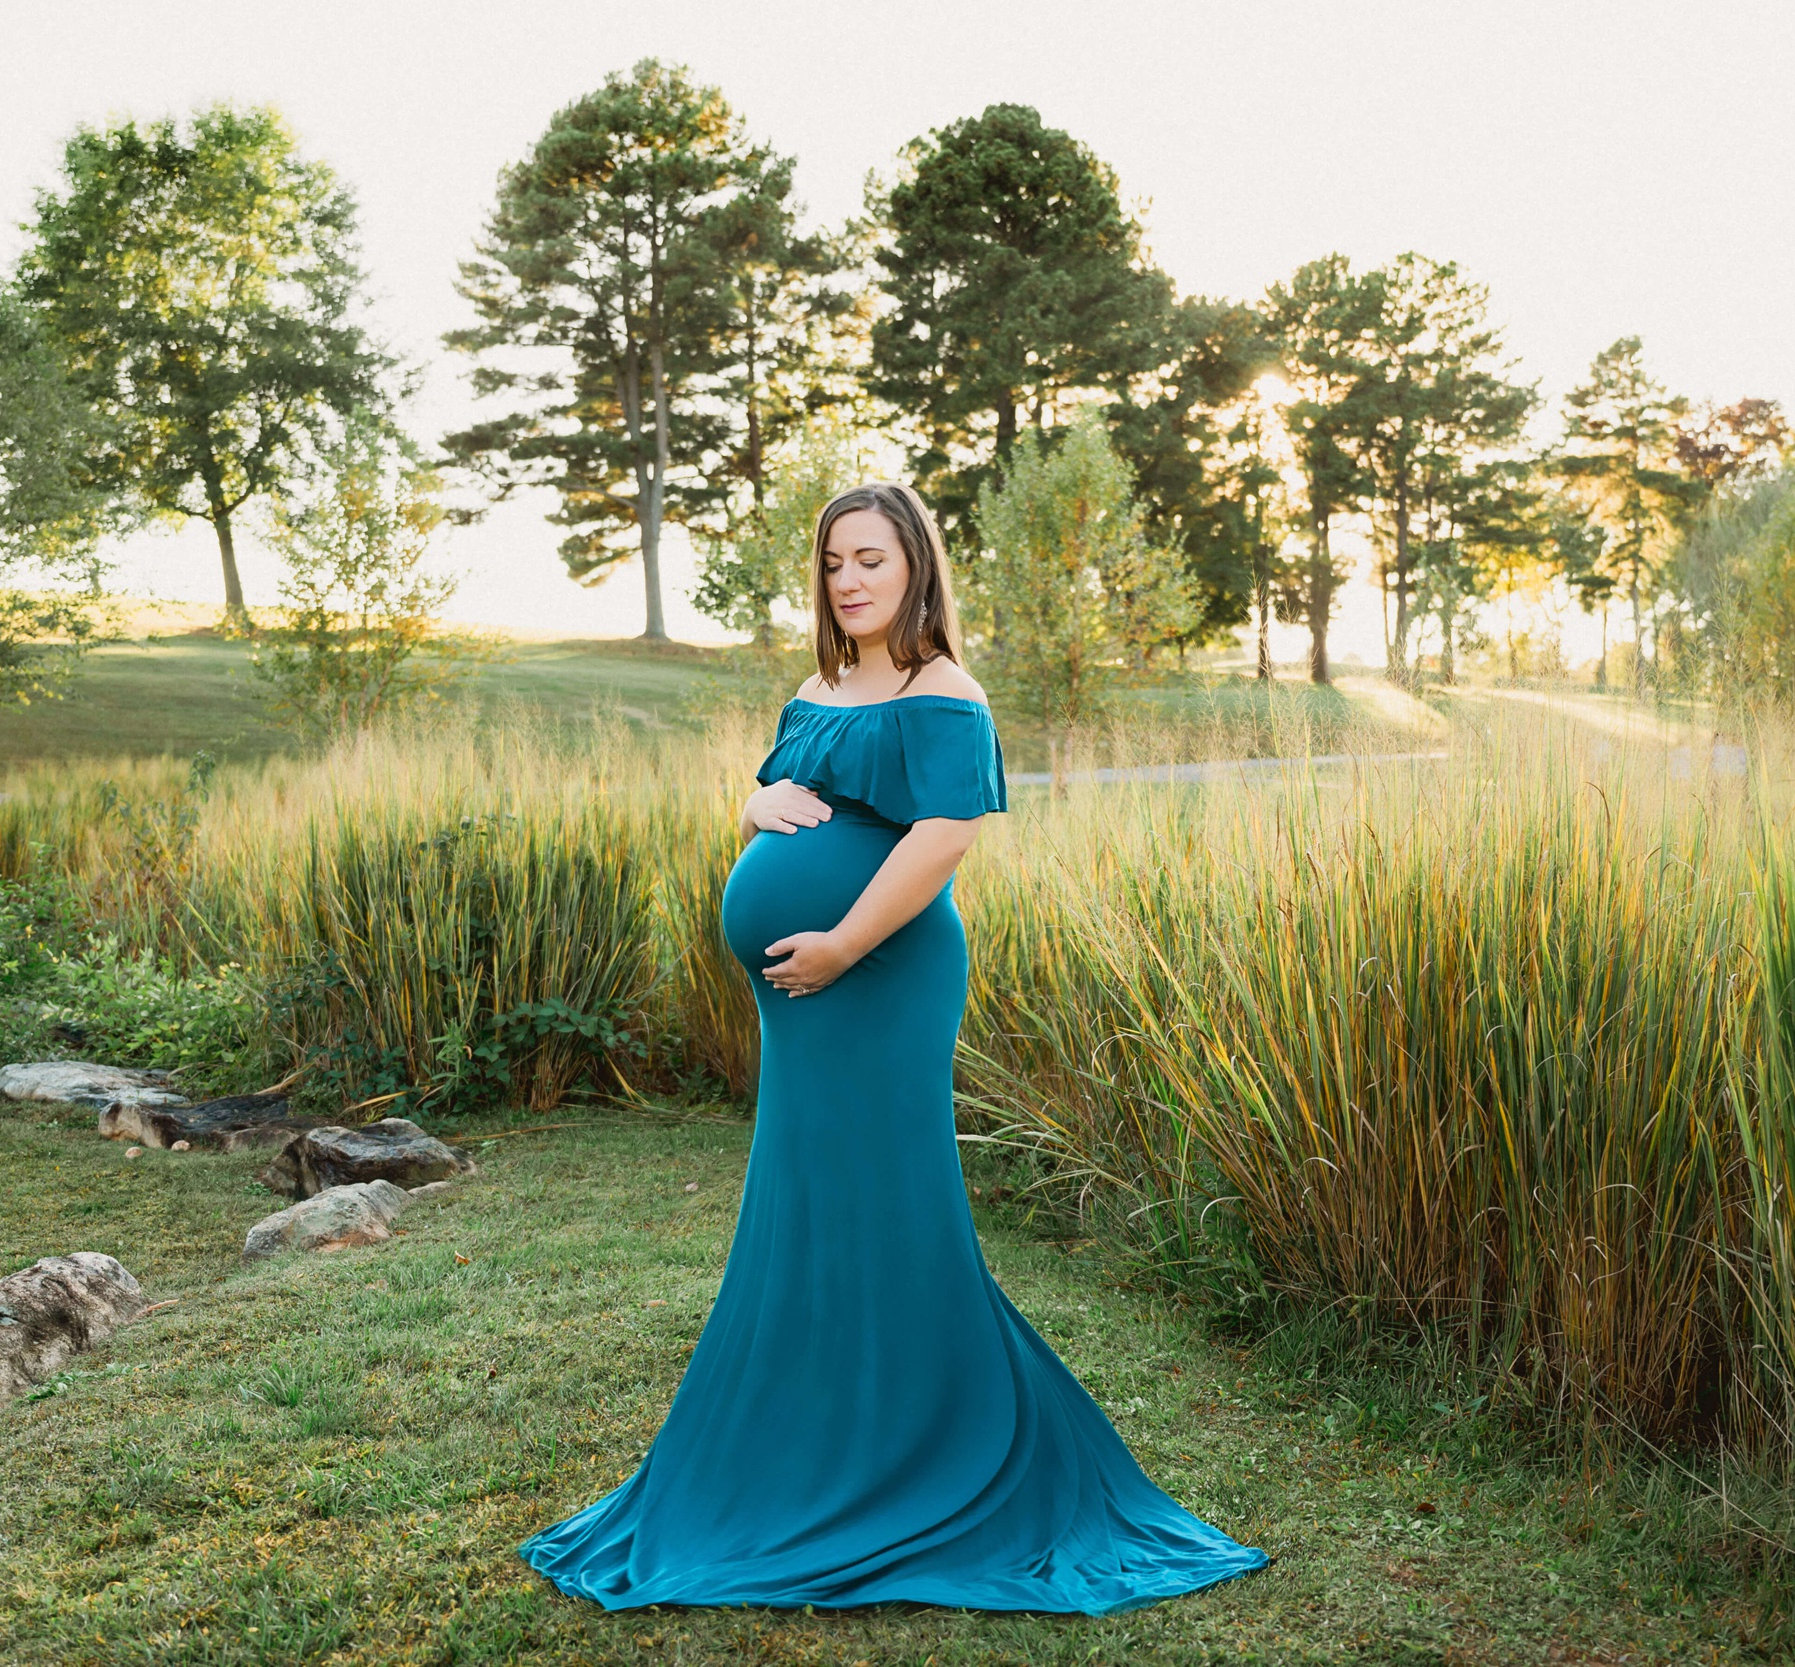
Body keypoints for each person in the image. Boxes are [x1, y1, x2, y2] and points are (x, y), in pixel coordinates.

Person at [519, 481, 1268, 1614]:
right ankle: (814, 1439)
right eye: (831, 562)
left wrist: (839, 941)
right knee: (810, 1202)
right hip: (803, 995)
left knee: (885, 1200)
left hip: (880, 976)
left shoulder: (945, 691)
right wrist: (753, 803)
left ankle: (925, 1453)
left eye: (870, 556)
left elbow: (944, 833)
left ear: (916, 563)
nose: (850, 579)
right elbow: (786, 788)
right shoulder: (816, 685)